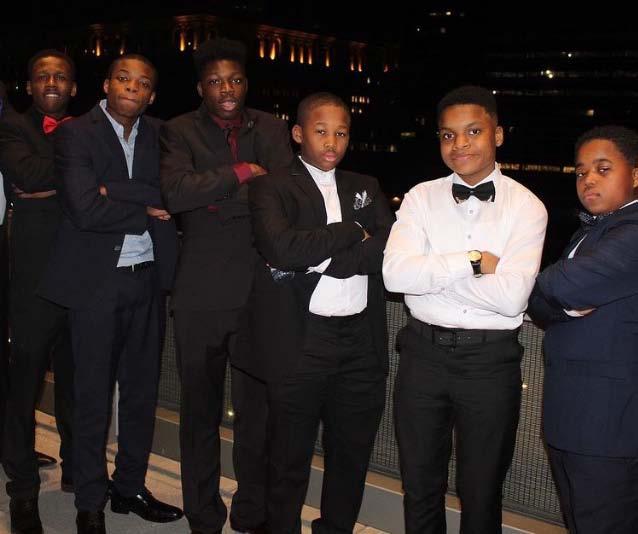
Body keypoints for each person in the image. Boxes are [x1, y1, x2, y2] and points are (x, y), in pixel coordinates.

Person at [382, 85, 548, 534]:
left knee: (481, 491)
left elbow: (513, 298)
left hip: (489, 363)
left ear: (498, 135)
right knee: (419, 486)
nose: (460, 144)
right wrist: (475, 262)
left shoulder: (528, 207)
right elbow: (395, 277)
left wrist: (431, 280)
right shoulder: (419, 197)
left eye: (473, 131)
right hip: (421, 357)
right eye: (448, 135)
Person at [38, 53, 181, 534]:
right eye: (123, 78)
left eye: (142, 83)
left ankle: (129, 489)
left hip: (149, 279)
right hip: (96, 284)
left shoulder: (161, 135)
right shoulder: (76, 134)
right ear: (106, 85)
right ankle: (90, 502)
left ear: (151, 95)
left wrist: (114, 191)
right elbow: (82, 208)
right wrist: (144, 210)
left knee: (141, 394)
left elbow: (171, 193)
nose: (132, 88)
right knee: (92, 397)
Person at [160, 37, 292, 534]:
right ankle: (203, 513)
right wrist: (241, 172)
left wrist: (214, 195)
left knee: (258, 414)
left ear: (246, 83)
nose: (227, 89)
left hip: (259, 290)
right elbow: (176, 193)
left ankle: (251, 510)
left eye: (235, 79)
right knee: (200, 412)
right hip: (199, 292)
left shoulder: (271, 127)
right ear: (201, 88)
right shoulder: (178, 130)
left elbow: (283, 194)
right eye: (215, 81)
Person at [249, 92, 393, 533]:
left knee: (351, 455)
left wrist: (323, 259)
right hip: (301, 338)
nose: (332, 142)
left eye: (342, 133)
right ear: (298, 133)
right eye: (321, 131)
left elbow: (388, 247)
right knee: (287, 455)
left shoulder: (366, 185)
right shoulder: (271, 186)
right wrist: (351, 230)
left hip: (361, 342)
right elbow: (282, 248)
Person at [528, 125, 638, 534]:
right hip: (573, 419)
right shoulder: (590, 232)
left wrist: (554, 289)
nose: (588, 179)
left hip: (610, 428)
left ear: (635, 174)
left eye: (603, 169)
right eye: (580, 172)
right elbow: (539, 304)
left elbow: (556, 284)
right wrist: (565, 306)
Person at [0, 50, 77, 534]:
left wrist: (53, 184)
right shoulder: (10, 127)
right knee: (22, 390)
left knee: (77, 385)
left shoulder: (88, 128)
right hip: (31, 283)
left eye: (61, 76)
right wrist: (79, 176)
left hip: (82, 279)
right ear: (29, 87)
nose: (52, 82)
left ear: (73, 86)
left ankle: (77, 471)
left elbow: (107, 181)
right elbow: (26, 177)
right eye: (43, 76)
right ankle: (22, 491)